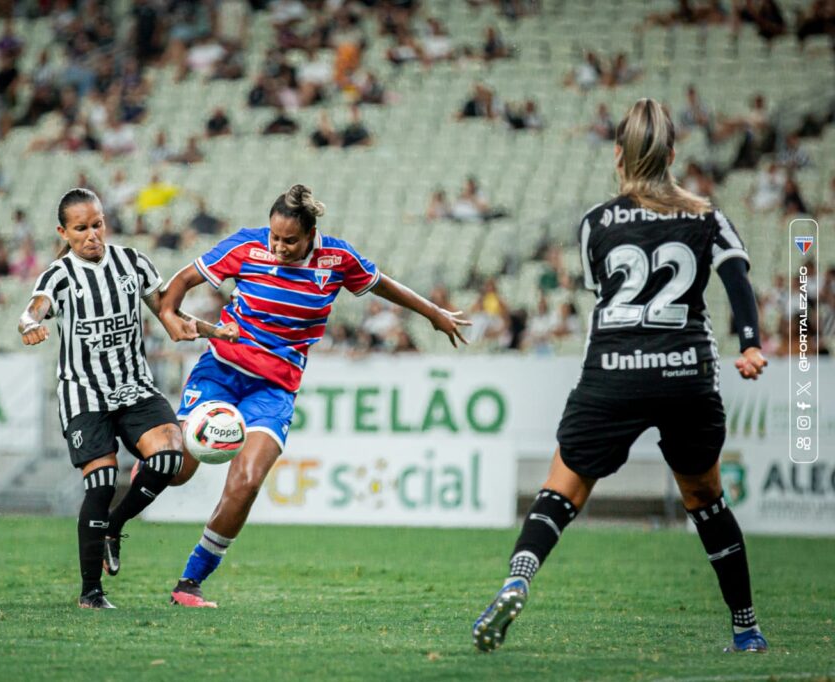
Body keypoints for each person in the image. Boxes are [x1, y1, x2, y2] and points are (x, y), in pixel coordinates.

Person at [472, 98, 769, 654]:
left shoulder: (595, 223)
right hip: (686, 372)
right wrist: (750, 345)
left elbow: (603, 296)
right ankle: (746, 627)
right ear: (673, 155)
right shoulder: (707, 216)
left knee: (563, 486)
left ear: (618, 157)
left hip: (613, 370)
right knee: (704, 496)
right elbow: (736, 281)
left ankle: (518, 577)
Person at [150, 184, 471, 608]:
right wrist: (171, 314)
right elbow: (184, 280)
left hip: (275, 387)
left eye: (290, 240)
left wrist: (434, 313)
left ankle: (189, 583)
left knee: (246, 483)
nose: (280, 247)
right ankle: (117, 517)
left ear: (311, 234)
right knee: (178, 470)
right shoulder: (247, 246)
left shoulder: (337, 259)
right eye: (275, 238)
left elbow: (384, 285)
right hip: (221, 372)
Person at [17, 188, 236, 609]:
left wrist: (212, 330)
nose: (91, 235)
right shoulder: (59, 275)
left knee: (170, 457)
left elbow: (169, 318)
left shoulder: (131, 262)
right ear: (63, 231)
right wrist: (28, 323)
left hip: (134, 387)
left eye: (96, 224)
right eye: (80, 228)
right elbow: (35, 308)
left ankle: (113, 527)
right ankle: (91, 594)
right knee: (100, 483)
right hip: (85, 394)